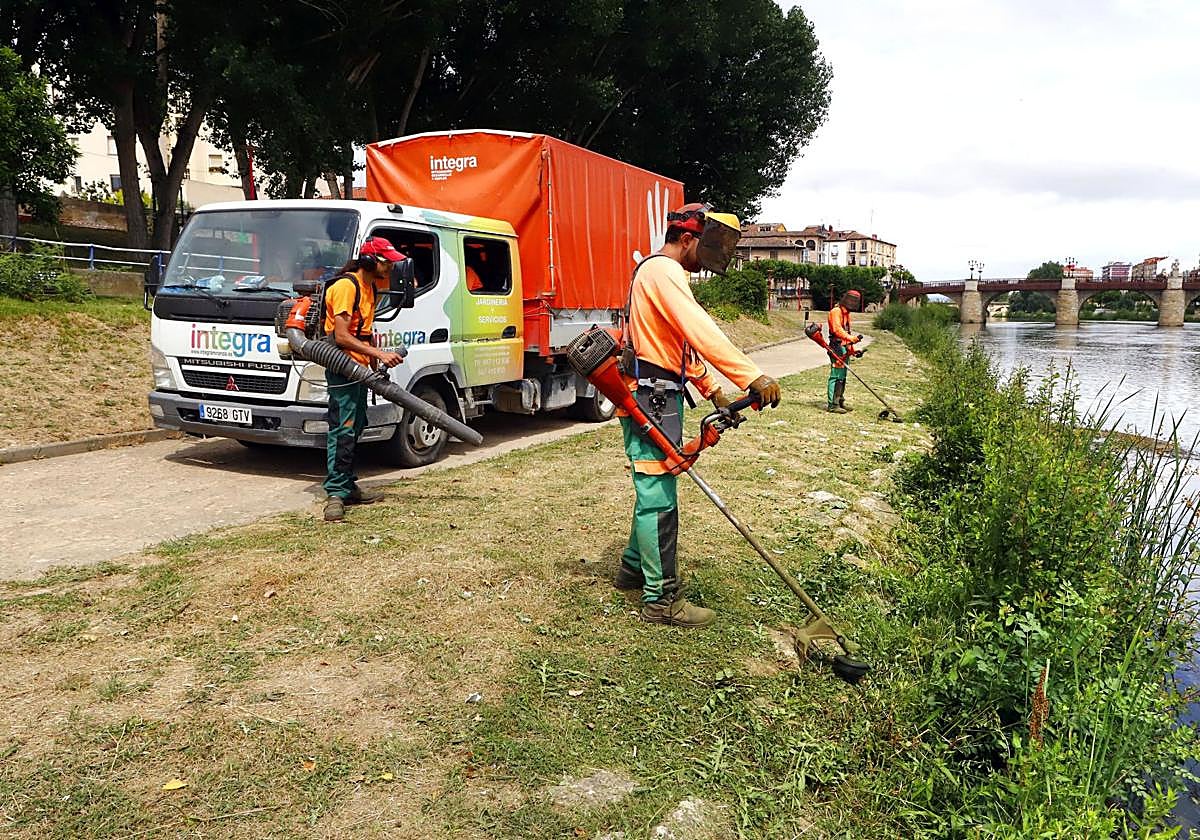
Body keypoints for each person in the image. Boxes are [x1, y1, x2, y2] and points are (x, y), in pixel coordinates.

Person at [614, 203, 781, 628]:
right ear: (687, 239)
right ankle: (661, 600)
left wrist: (713, 391)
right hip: (652, 395)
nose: (703, 261)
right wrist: (751, 376)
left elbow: (678, 346)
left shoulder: (660, 274)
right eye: (701, 249)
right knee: (658, 493)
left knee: (654, 485)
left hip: (656, 392)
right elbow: (700, 328)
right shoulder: (663, 271)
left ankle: (633, 568)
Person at [322, 237, 406, 522]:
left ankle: (348, 485)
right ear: (370, 261)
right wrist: (380, 354)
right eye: (386, 262)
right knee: (342, 428)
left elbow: (365, 332)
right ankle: (336, 493)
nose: (390, 267)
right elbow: (342, 336)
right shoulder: (347, 287)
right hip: (342, 368)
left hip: (359, 369)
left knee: (356, 424)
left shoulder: (370, 288)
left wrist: (373, 365)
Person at [826, 289, 863, 414]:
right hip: (836, 347)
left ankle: (839, 400)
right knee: (836, 376)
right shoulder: (836, 312)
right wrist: (851, 338)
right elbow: (837, 330)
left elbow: (846, 333)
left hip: (843, 348)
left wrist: (852, 351)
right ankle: (833, 404)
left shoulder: (846, 314)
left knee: (842, 377)